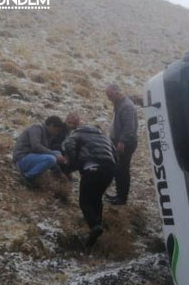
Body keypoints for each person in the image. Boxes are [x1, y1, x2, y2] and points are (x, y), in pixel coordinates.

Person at [62, 118, 117, 247]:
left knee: (85, 201)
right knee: (97, 198)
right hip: (109, 169)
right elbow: (115, 155)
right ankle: (98, 225)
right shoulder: (105, 137)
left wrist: (72, 164)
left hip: (92, 167)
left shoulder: (76, 134)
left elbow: (69, 147)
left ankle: (95, 227)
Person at [104, 84, 139, 205]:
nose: (108, 98)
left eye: (110, 95)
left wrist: (122, 141)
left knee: (122, 170)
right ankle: (119, 195)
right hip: (118, 141)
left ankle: (122, 198)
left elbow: (129, 128)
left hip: (125, 144)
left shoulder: (126, 106)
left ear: (117, 93)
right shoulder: (120, 102)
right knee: (118, 169)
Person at [13, 116, 67, 185]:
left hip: (31, 158)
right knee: (51, 158)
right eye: (56, 130)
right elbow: (35, 147)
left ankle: (53, 176)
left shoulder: (48, 134)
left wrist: (59, 173)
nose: (56, 133)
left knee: (57, 153)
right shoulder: (36, 128)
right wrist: (54, 155)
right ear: (51, 125)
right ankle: (27, 177)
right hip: (22, 158)